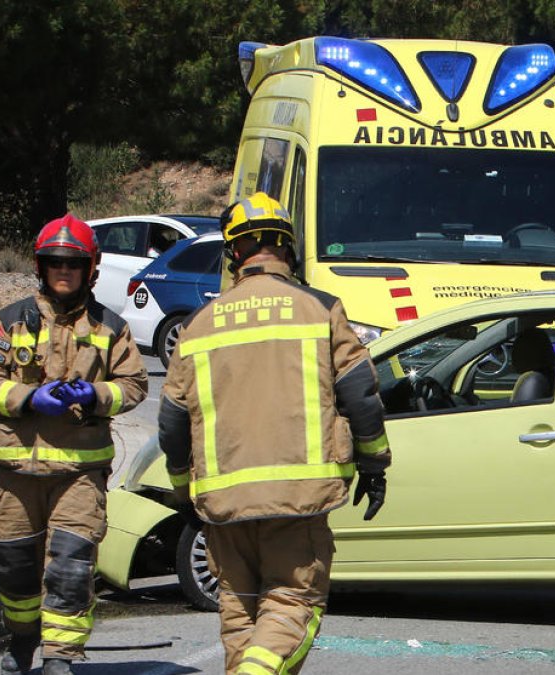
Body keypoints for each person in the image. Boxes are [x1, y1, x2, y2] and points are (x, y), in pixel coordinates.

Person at [158, 193, 391, 674]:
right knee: (291, 607)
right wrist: (374, 464)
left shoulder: (199, 324)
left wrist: (184, 489)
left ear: (233, 254)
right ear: (288, 249)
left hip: (224, 507)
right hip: (297, 499)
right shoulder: (320, 309)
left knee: (241, 614)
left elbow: (172, 420)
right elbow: (361, 396)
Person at [0, 214, 149, 674]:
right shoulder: (11, 320)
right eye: (54, 263)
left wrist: (97, 395)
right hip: (16, 478)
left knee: (70, 568)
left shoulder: (110, 327)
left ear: (91, 267)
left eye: (73, 264)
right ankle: (22, 639)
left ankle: (60, 658)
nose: (63, 271)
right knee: (15, 570)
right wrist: (29, 398)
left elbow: (134, 385)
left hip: (80, 476)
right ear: (41, 266)